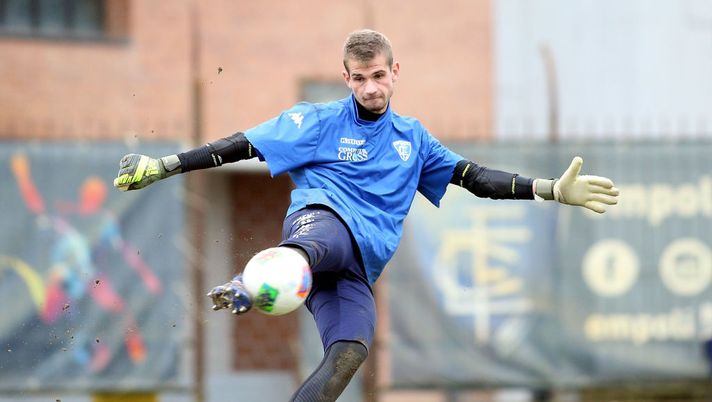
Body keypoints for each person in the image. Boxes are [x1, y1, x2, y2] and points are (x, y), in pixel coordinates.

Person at [113, 29, 619, 401]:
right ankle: (249, 284)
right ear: (346, 78)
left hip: (358, 266)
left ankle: (266, 291)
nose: (371, 87)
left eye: (379, 76)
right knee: (319, 245)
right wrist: (164, 164)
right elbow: (243, 143)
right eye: (360, 79)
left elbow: (476, 179)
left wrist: (551, 189)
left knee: (351, 351)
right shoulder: (318, 120)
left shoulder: (414, 139)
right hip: (321, 222)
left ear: (395, 72)